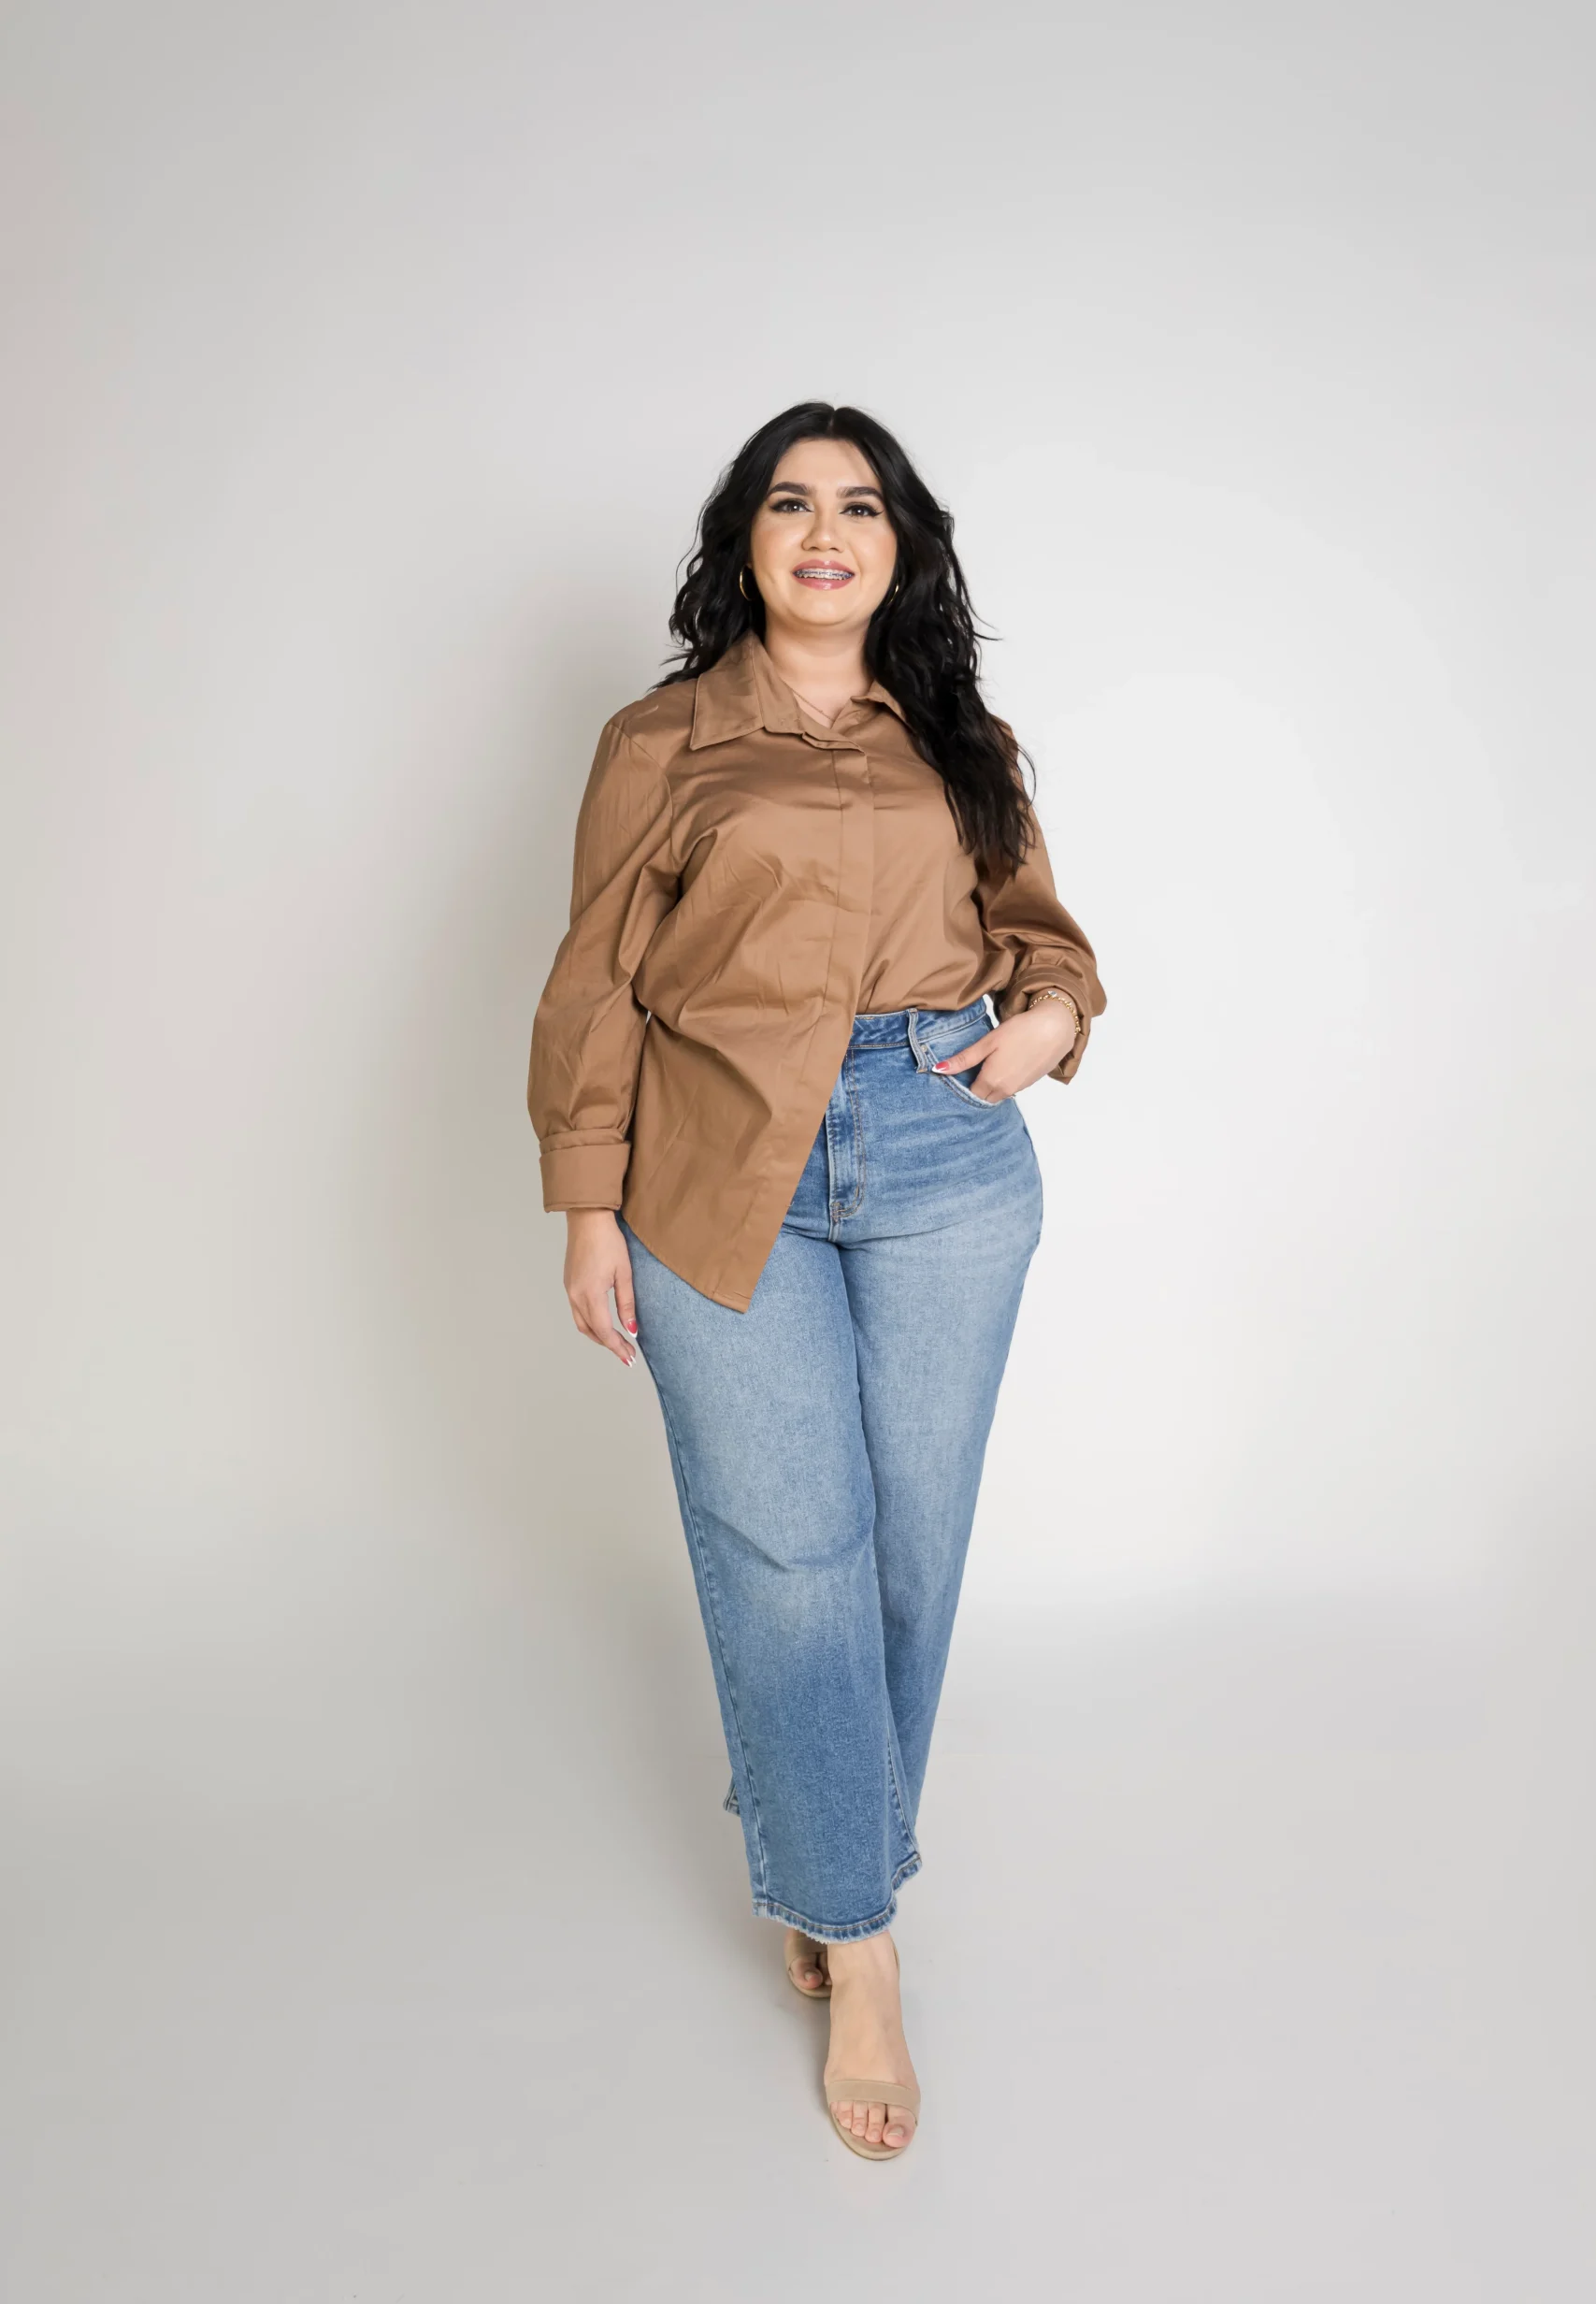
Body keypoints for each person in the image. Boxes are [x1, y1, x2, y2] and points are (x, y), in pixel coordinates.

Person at [527, 401, 1105, 2161]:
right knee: (794, 1555)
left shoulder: (963, 739)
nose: (826, 531)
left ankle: (827, 1858)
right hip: (720, 1166)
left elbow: (1042, 931)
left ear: (901, 546)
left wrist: (1049, 1018)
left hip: (941, 1151)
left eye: (860, 505)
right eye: (790, 504)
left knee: (908, 1551)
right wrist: (585, 1203)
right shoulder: (658, 741)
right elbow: (593, 980)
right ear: (746, 542)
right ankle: (860, 1941)